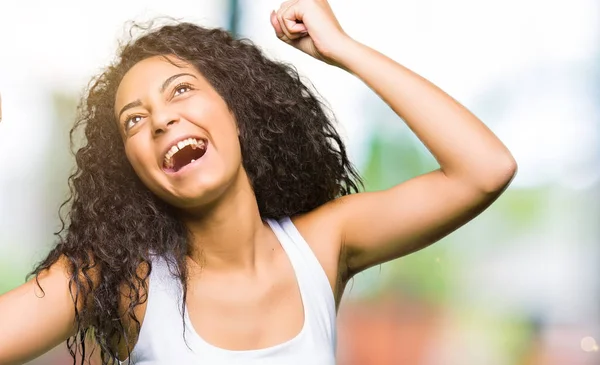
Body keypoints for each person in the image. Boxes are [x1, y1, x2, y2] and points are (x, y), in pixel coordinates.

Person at [0, 0, 517, 364]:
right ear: (131, 166)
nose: (160, 120)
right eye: (135, 119)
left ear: (238, 110)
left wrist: (342, 48)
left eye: (181, 90)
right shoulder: (118, 281)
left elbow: (484, 170)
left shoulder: (322, 244)